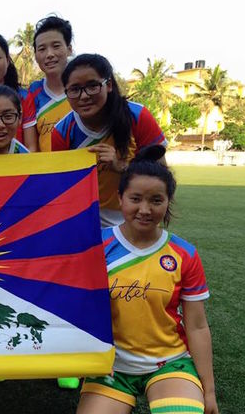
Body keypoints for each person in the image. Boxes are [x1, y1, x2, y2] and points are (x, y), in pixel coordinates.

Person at [77, 146, 218, 414]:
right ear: (120, 199)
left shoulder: (183, 254)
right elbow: (76, 307)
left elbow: (197, 326)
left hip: (170, 362)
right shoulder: (96, 245)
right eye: (136, 198)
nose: (145, 209)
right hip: (111, 367)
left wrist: (208, 391)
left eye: (156, 200)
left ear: (167, 202)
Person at [52, 53, 167, 227]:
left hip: (138, 218)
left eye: (92, 86)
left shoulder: (137, 116)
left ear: (109, 85)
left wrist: (121, 167)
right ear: (66, 93)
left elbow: (162, 176)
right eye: (74, 89)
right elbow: (63, 188)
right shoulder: (62, 132)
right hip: (87, 224)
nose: (84, 96)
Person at [28, 15, 74, 152]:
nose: (49, 54)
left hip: (84, 171)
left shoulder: (86, 89)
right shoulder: (31, 93)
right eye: (42, 49)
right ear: (35, 55)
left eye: (56, 46)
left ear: (69, 49)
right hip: (48, 172)